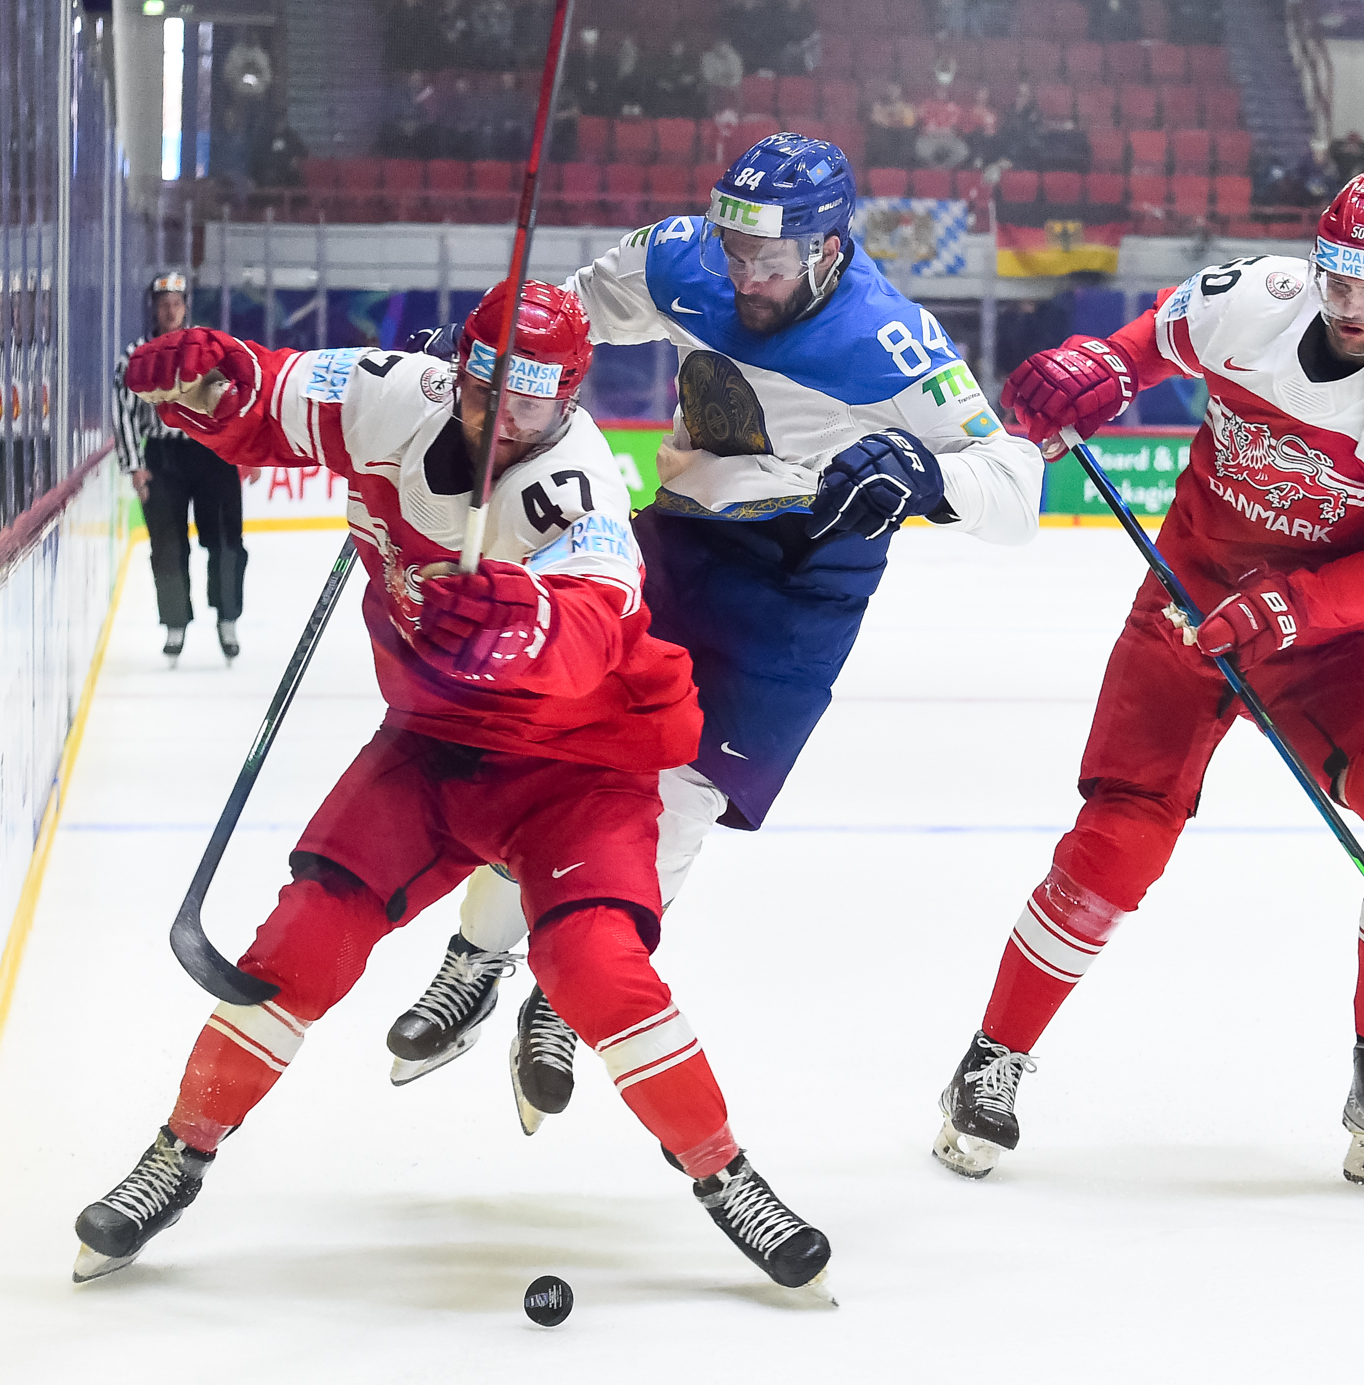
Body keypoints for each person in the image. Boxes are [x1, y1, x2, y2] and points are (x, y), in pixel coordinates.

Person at [74, 281, 834, 1295]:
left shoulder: (577, 483)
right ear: (459, 371)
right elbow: (271, 397)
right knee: (301, 938)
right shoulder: (392, 392)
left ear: (569, 395)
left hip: (577, 765)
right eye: (487, 390)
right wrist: (213, 381)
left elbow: (597, 624)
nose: (501, 421)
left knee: (594, 966)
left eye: (532, 402)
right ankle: (178, 1152)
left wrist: (524, 623)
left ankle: (722, 1171)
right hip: (433, 746)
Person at [380, 136, 1042, 1128]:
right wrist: (487, 358)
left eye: (767, 261)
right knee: (550, 739)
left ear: (827, 246)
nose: (743, 277)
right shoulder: (682, 257)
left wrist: (929, 474)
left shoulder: (889, 341)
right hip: (680, 539)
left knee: (678, 797)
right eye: (733, 253)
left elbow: (1018, 489)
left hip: (801, 584)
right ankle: (475, 960)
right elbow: (566, 316)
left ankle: (561, 991)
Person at [931, 172, 1364, 1192]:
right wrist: (1098, 365)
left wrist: (1288, 610)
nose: (1346, 301)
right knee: (1115, 840)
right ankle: (989, 1061)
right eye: (1337, 274)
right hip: (1185, 610)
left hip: (1315, 633)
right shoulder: (1258, 298)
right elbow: (1149, 343)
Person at [112, 272, 247, 664]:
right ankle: (174, 624)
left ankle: (228, 619)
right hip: (163, 458)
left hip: (212, 453)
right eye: (163, 303)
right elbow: (122, 410)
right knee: (167, 545)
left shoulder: (208, 348)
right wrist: (134, 466)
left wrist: (243, 448)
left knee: (226, 539)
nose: (170, 310)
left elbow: (234, 396)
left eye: (176, 303)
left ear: (186, 305)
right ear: (153, 308)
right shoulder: (135, 355)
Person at [914, 72, 971, 168]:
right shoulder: (926, 105)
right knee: (919, 148)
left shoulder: (955, 107)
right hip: (931, 138)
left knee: (963, 151)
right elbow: (920, 126)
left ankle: (945, 170)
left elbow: (957, 129)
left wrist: (950, 131)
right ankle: (934, 170)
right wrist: (926, 130)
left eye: (944, 89)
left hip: (948, 138)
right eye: (939, 88)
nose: (942, 92)